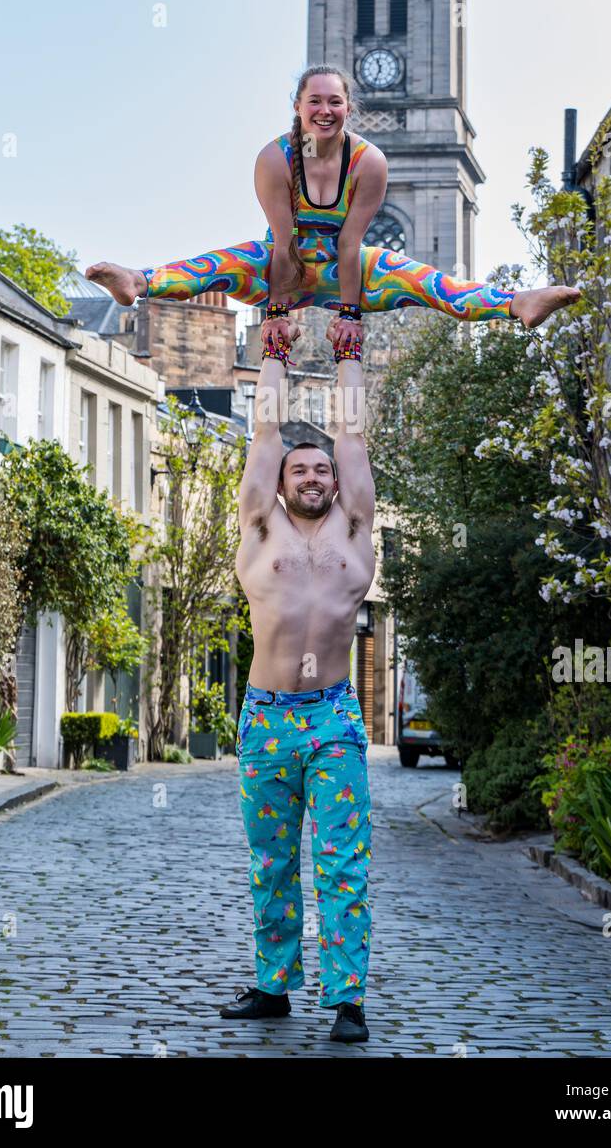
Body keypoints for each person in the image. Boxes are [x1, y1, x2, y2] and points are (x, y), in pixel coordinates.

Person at [83, 64, 581, 351]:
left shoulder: (369, 162)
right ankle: (139, 282)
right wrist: (278, 312)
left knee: (430, 283)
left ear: (349, 107)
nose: (325, 110)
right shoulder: (273, 159)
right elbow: (282, 245)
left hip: (351, 269)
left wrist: (350, 314)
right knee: (221, 264)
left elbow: (350, 243)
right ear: (297, 107)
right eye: (315, 101)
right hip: (285, 266)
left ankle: (517, 303)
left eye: (335, 102)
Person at [220, 311, 376, 1044]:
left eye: (321, 470)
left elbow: (352, 440)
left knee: (342, 861)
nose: (313, 475)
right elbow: (263, 436)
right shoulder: (260, 529)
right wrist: (274, 352)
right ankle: (273, 986)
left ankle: (347, 1000)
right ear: (281, 483)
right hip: (267, 718)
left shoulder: (354, 530)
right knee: (272, 861)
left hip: (335, 720)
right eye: (300, 469)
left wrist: (349, 358)